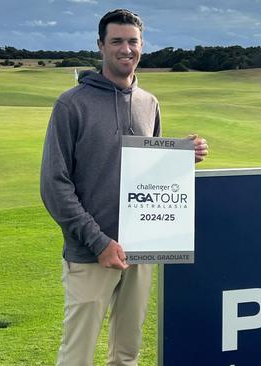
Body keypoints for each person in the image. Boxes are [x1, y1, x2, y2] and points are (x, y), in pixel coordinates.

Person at [40, 9, 208, 365]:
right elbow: (55, 185)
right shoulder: (71, 105)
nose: (125, 49)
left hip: (141, 252)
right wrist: (99, 242)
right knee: (78, 355)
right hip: (90, 253)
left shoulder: (149, 103)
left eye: (133, 41)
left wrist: (181, 157)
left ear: (142, 46)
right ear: (101, 46)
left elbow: (149, 168)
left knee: (127, 354)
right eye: (116, 41)